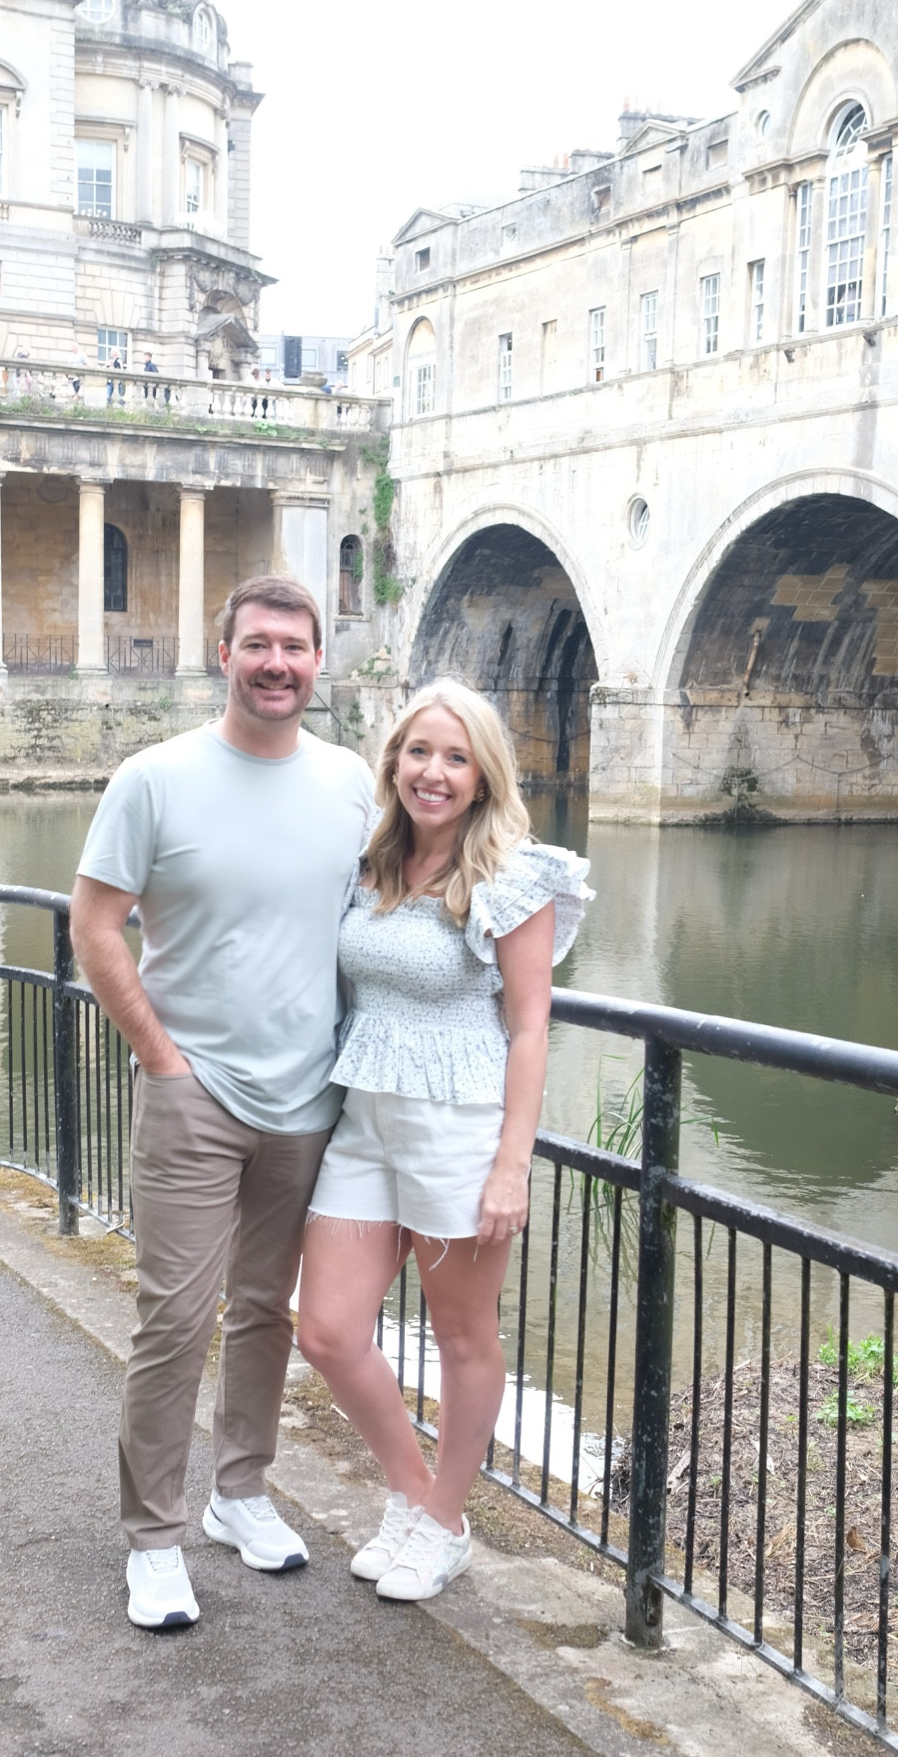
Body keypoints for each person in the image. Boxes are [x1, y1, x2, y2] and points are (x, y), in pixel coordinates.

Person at [70, 575, 376, 1631]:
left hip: (307, 1098)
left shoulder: (349, 783)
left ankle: (238, 1495)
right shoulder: (154, 780)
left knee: (262, 1312)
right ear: (225, 653)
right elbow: (95, 925)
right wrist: (161, 1058)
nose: (277, 663)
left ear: (316, 660)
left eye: (294, 646)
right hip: (192, 1093)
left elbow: (390, 911)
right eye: (258, 645)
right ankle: (152, 1539)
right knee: (174, 1319)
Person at [297, 679, 591, 1602]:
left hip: (458, 1125)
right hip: (364, 1118)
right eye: (420, 752)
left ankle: (440, 1520)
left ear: (482, 775)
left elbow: (531, 1027)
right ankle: (422, 1500)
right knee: (328, 1331)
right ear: (395, 760)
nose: (434, 772)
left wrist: (513, 1164)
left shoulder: (515, 873)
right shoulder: (372, 861)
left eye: (456, 757)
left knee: (463, 1336)